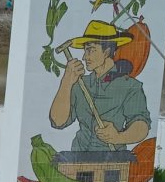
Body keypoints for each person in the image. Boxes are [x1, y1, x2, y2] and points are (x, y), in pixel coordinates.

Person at [48, 20, 149, 152]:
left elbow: (142, 125)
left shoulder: (130, 86)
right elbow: (58, 121)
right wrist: (66, 83)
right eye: (85, 51)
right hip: (77, 158)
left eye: (90, 50)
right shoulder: (79, 83)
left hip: (113, 161)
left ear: (106, 52)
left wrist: (118, 137)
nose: (84, 57)